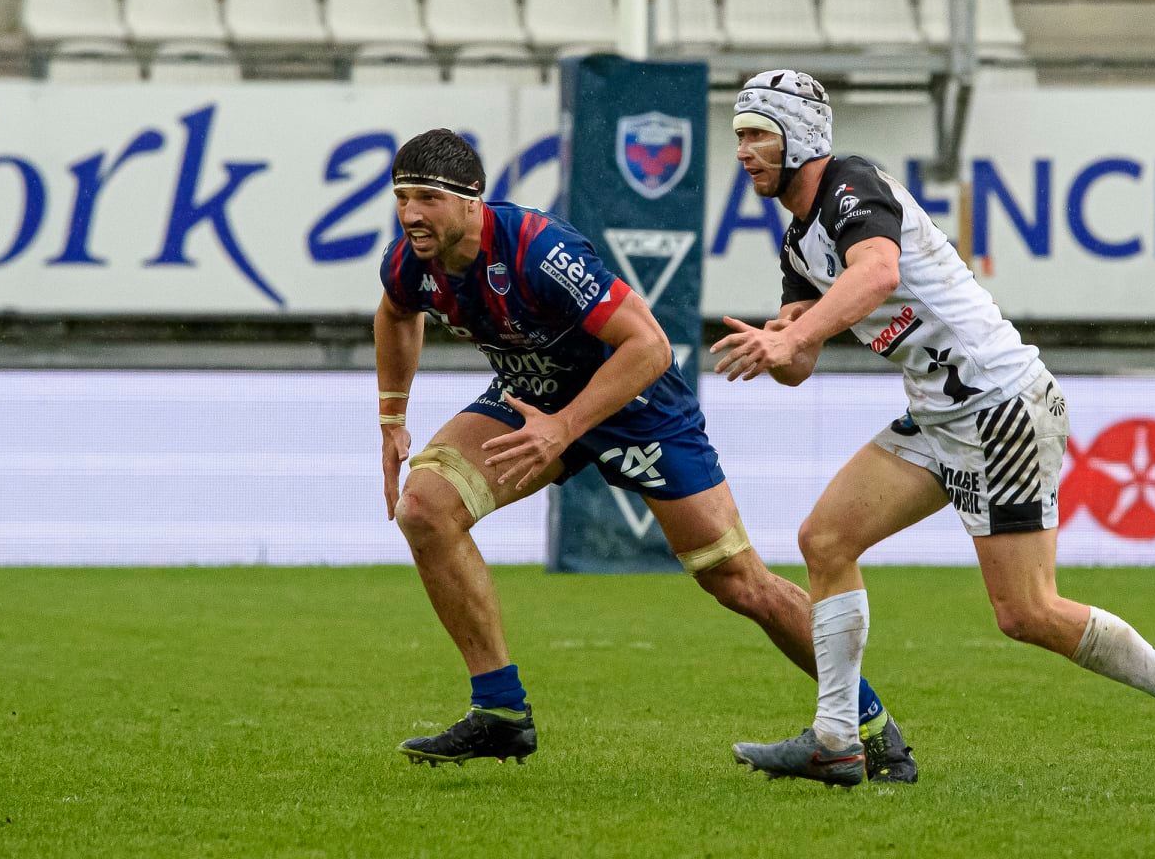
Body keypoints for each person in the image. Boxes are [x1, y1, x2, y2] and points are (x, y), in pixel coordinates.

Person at [715, 71, 1155, 797]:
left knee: (1026, 611)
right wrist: (782, 341)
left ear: (801, 136)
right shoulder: (796, 244)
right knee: (826, 540)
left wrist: (800, 330)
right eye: (740, 136)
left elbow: (875, 275)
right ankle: (838, 740)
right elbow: (801, 364)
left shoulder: (852, 186)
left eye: (757, 134)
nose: (744, 151)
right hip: (942, 415)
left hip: (1000, 404)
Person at [373, 129, 916, 781]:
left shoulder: (538, 249)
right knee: (425, 509)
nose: (410, 214)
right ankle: (499, 710)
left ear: (471, 201)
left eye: (426, 197)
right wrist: (392, 419)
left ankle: (872, 727)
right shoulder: (411, 259)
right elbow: (396, 312)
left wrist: (563, 428)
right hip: (533, 399)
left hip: (637, 407)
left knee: (740, 582)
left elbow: (652, 346)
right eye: (403, 197)